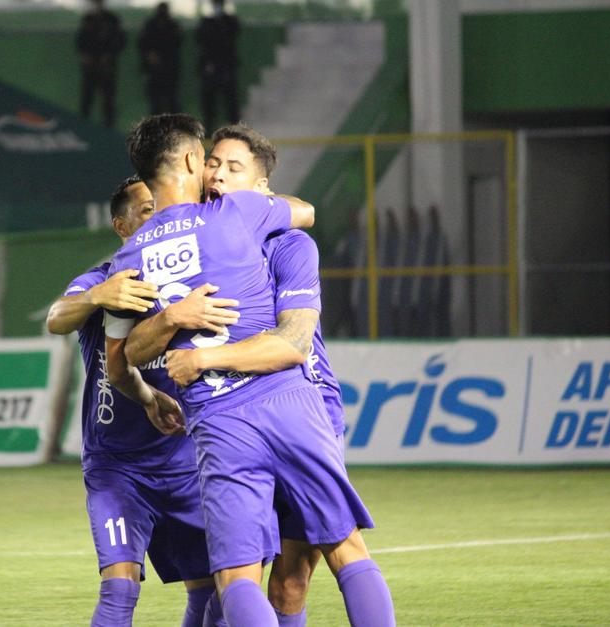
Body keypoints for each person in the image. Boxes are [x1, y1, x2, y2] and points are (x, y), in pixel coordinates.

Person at [105, 113, 395, 627]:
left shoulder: (130, 258)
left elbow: (293, 343)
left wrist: (195, 352)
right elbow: (302, 211)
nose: (216, 173)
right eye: (211, 161)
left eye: (230, 166)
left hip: (256, 410)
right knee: (312, 558)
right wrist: (175, 316)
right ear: (194, 161)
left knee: (262, 578)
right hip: (259, 409)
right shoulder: (237, 215)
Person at [46, 176, 237, 627]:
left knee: (210, 590)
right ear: (121, 225)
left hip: (186, 460)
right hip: (118, 466)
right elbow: (56, 317)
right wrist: (96, 296)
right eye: (148, 209)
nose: (161, 215)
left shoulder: (190, 279)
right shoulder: (105, 280)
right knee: (119, 588)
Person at [76, 0, 127, 128]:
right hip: (90, 67)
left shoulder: (112, 20)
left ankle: (109, 128)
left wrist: (109, 55)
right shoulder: (87, 19)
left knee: (108, 100)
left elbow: (120, 40)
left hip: (107, 67)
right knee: (87, 99)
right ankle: (84, 127)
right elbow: (80, 40)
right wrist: (85, 55)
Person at [196, 0, 240, 132]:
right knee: (209, 104)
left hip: (226, 66)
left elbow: (234, 30)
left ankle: (236, 130)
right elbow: (200, 38)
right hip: (211, 67)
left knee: (231, 102)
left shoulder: (229, 21)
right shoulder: (206, 22)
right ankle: (208, 131)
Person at [137, 2, 183, 115]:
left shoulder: (169, 25)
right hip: (159, 70)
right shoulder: (167, 25)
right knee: (159, 104)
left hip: (166, 70)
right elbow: (143, 44)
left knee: (168, 103)